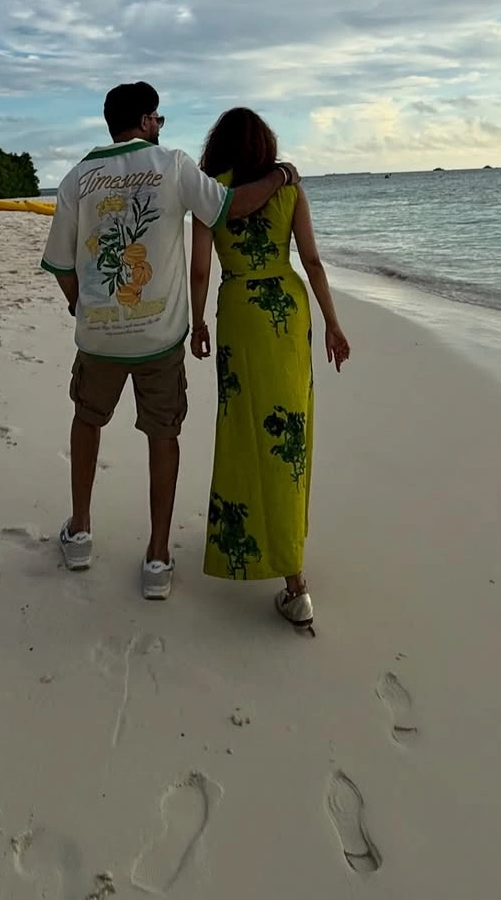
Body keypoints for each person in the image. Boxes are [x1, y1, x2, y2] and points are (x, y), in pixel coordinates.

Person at [41, 82, 300, 601]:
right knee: (163, 434)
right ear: (141, 121)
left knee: (87, 419)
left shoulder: (77, 178)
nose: (161, 125)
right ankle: (158, 556)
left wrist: (80, 305)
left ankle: (81, 530)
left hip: (99, 338)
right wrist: (279, 176)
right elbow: (232, 206)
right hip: (159, 338)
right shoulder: (174, 165)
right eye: (156, 117)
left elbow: (61, 264)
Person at [189, 108, 349, 628]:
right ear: (266, 145)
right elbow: (313, 261)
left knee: (243, 431)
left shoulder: (211, 192)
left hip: (239, 310)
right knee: (290, 434)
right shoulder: (289, 189)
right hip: (285, 309)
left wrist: (197, 323)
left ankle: (251, 550)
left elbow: (199, 268)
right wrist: (332, 322)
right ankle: (293, 578)